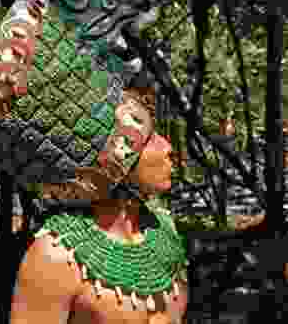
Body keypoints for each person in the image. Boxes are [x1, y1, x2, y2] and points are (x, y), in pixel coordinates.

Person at [10, 87, 188, 324]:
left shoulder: (165, 232)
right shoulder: (54, 257)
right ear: (112, 158)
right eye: (150, 137)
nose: (168, 148)